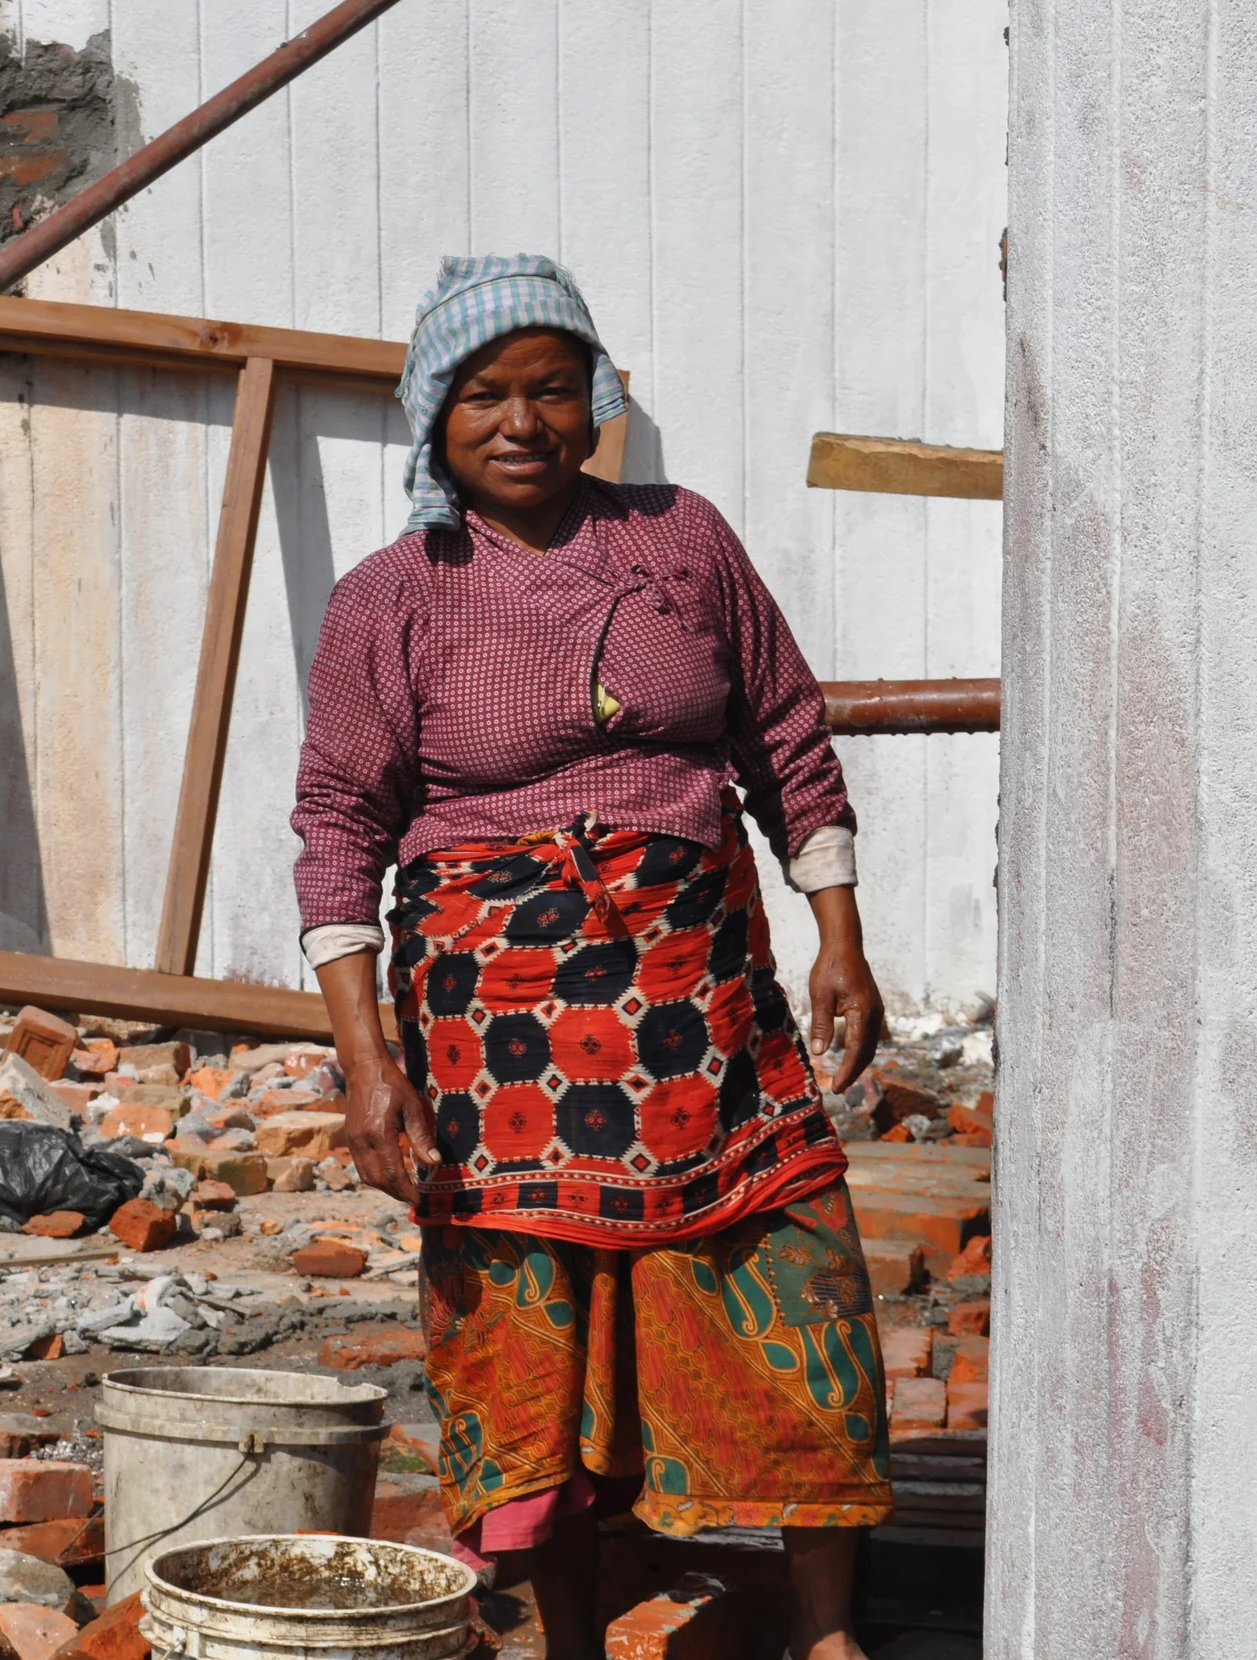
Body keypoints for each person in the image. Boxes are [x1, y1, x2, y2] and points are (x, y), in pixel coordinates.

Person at [292, 254, 890, 1660]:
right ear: (433, 416)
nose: (523, 422)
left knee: (796, 1276)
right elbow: (336, 826)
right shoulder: (394, 596)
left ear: (597, 398)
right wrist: (366, 1065)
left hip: (706, 1009)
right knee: (530, 1334)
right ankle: (568, 1641)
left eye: (553, 389)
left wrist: (841, 940)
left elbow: (787, 740)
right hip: (499, 1042)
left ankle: (826, 1638)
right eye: (484, 394)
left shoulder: (682, 540)